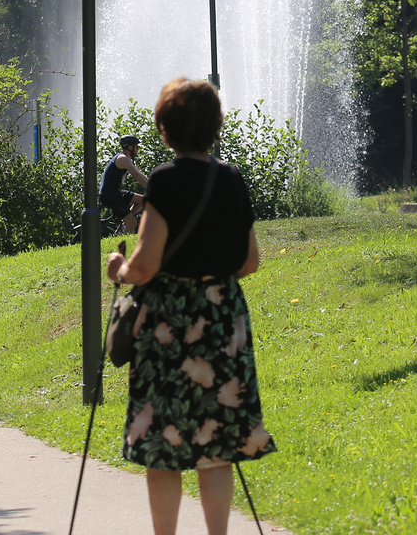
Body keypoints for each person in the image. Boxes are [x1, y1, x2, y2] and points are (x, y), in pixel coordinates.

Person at [105, 78, 274, 535]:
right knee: (215, 445)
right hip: (222, 318)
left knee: (164, 443)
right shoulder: (232, 180)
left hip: (169, 321)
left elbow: (145, 267)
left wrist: (118, 268)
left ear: (164, 129)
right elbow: (250, 262)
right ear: (216, 126)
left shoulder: (165, 180)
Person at [100, 134, 147, 232]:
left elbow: (139, 174)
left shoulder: (125, 158)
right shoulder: (123, 159)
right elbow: (137, 177)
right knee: (132, 222)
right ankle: (125, 243)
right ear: (130, 147)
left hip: (115, 193)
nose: (137, 150)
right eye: (136, 147)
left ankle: (124, 223)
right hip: (110, 195)